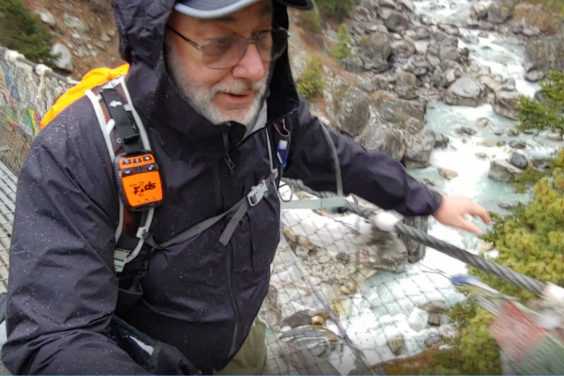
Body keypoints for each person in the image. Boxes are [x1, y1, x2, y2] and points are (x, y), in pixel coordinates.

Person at [2, 0, 491, 374]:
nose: (255, 69)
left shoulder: (269, 119)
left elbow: (341, 160)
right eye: (220, 41)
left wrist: (431, 200)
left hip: (240, 345)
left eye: (263, 36)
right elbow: (55, 337)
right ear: (154, 38)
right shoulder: (81, 151)